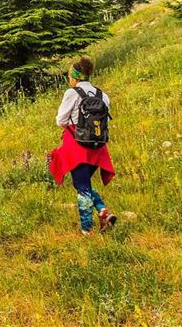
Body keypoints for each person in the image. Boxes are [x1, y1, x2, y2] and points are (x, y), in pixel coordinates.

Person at [49, 57, 117, 235]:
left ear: (75, 77)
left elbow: (60, 120)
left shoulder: (72, 93)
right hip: (98, 147)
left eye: (70, 75)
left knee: (82, 188)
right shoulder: (103, 95)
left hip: (77, 145)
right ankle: (103, 212)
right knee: (83, 184)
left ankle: (87, 230)